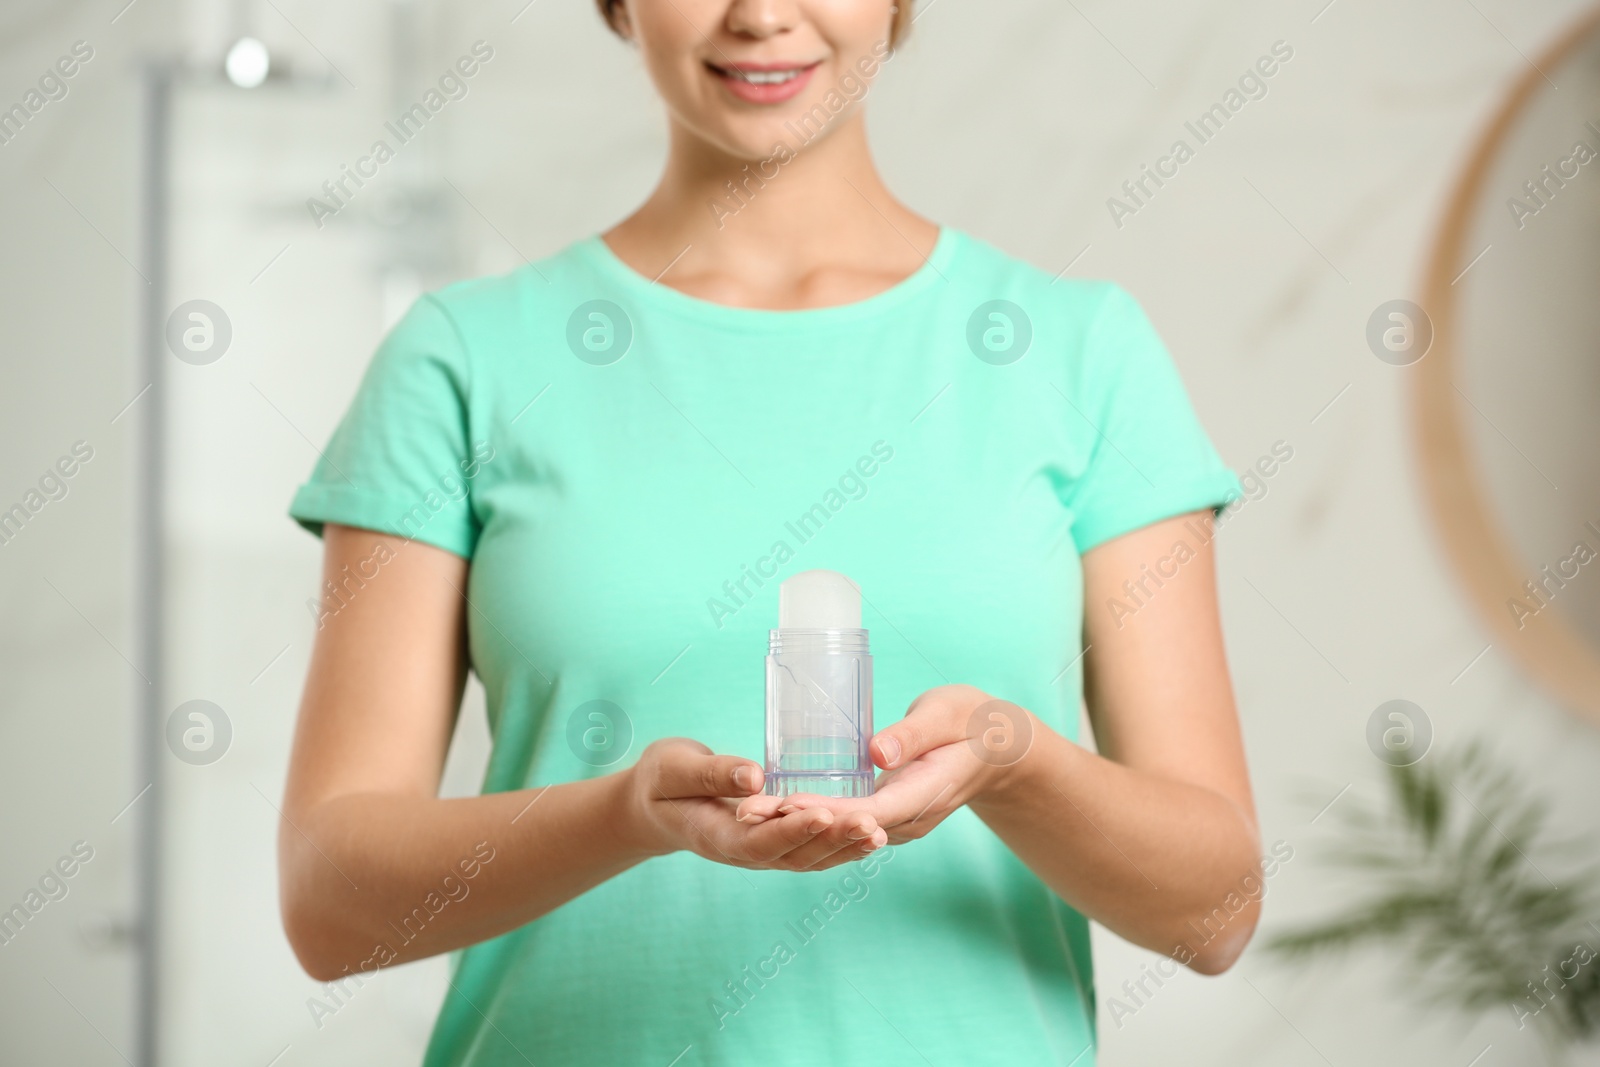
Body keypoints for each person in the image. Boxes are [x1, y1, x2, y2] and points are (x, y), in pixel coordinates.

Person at [279, 1, 1261, 1063]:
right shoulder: (465, 362)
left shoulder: (1080, 357)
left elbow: (1214, 907)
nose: (758, 13)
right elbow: (331, 906)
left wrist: (1012, 761)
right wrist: (625, 815)